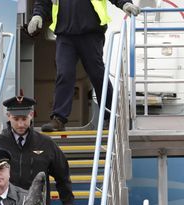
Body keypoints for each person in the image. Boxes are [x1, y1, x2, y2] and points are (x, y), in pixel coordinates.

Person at [27, 0, 141, 131]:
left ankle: (111, 116)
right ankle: (59, 119)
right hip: (65, 35)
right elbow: (44, 1)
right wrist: (37, 15)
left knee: (97, 75)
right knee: (64, 74)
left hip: (91, 33)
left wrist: (125, 3)